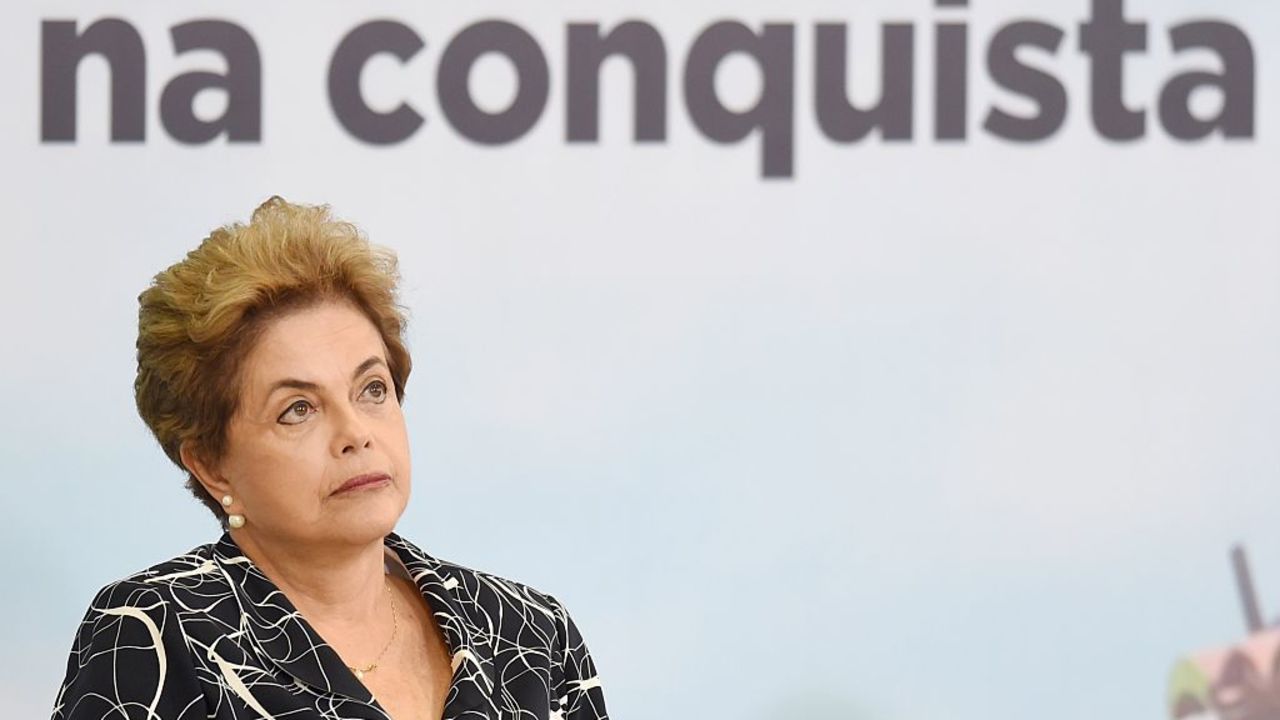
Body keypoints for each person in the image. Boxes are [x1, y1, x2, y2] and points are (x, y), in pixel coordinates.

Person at [50, 197, 610, 720]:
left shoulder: (531, 634)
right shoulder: (152, 638)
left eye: (371, 389)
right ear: (211, 465)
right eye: (298, 409)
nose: (355, 434)